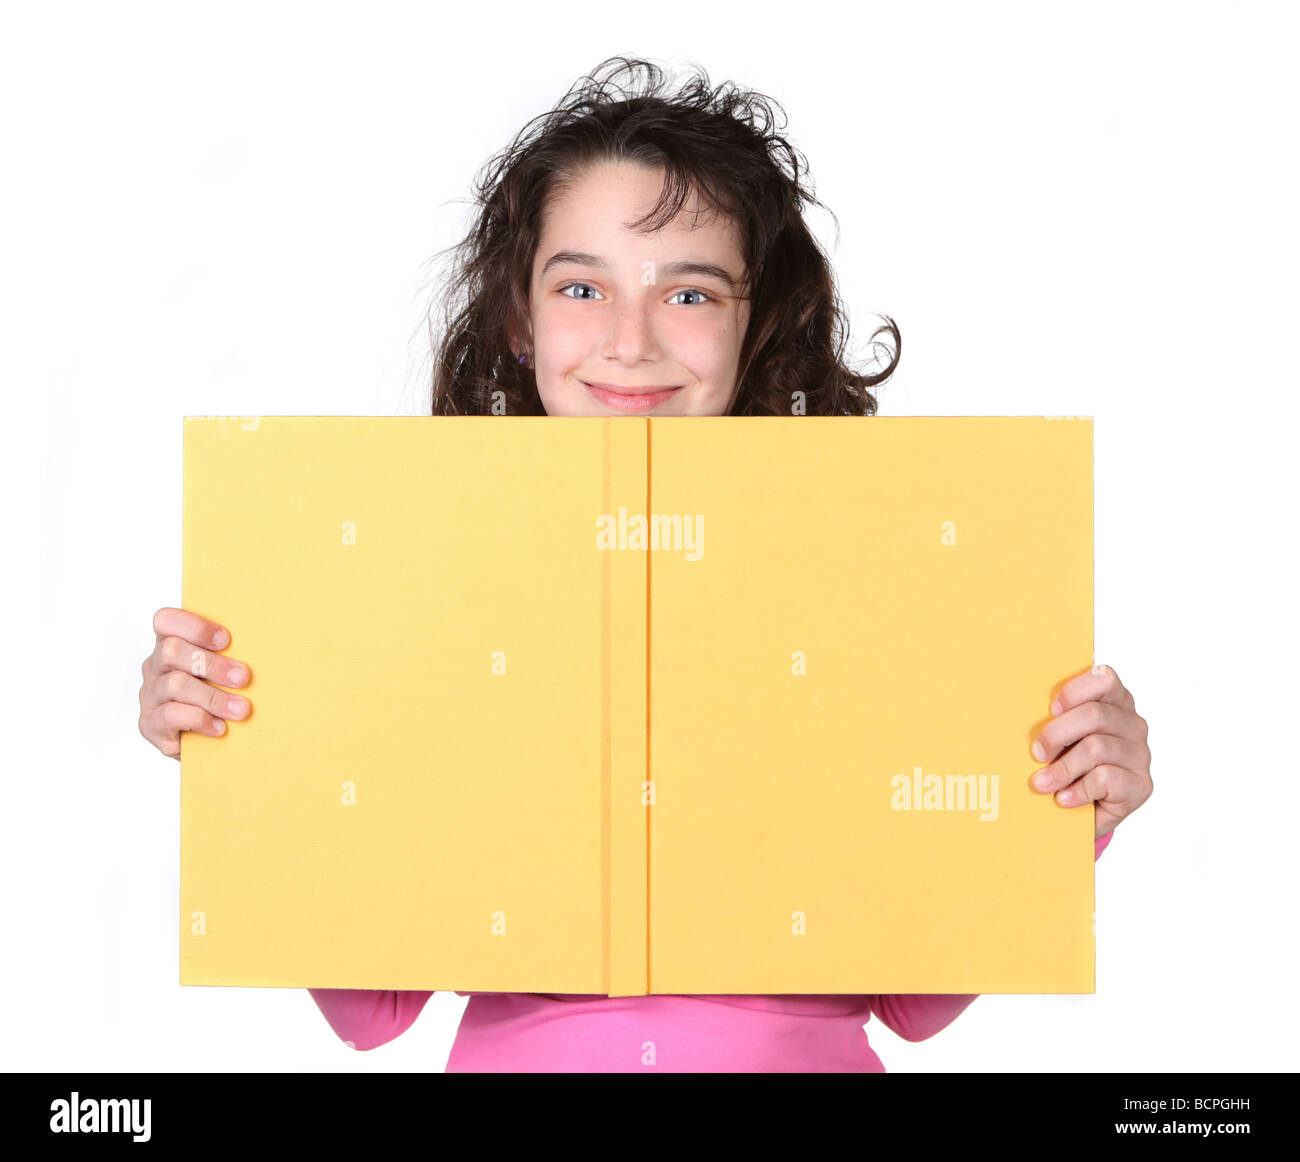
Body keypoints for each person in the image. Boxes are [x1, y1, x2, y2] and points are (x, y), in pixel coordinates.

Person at [138, 57, 1153, 1071]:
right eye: (581, 285)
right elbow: (372, 1007)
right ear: (518, 318)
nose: (629, 340)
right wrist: (238, 750)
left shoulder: (871, 572)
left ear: (755, 323)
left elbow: (914, 998)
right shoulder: (413, 580)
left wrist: (1070, 808)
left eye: (691, 292)